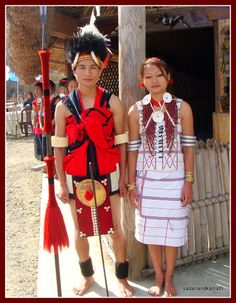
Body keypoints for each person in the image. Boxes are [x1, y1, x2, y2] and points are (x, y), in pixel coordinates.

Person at [52, 24, 134, 297]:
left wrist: (123, 177)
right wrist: (61, 184)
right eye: (82, 67)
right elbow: (60, 150)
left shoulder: (113, 103)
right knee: (81, 231)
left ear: (101, 70)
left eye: (93, 67)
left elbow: (121, 142)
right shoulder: (63, 108)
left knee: (116, 228)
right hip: (76, 176)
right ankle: (87, 277)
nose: (87, 73)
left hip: (109, 172)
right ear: (73, 70)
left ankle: (121, 277)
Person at [127, 57, 195, 297]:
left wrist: (188, 181)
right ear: (141, 81)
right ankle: (157, 276)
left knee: (172, 232)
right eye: (148, 76)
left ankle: (169, 277)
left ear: (168, 77)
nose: (154, 80)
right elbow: (132, 150)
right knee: (152, 232)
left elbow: (189, 147)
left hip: (175, 182)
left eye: (159, 75)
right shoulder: (135, 111)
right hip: (147, 184)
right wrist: (132, 185)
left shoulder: (182, 108)